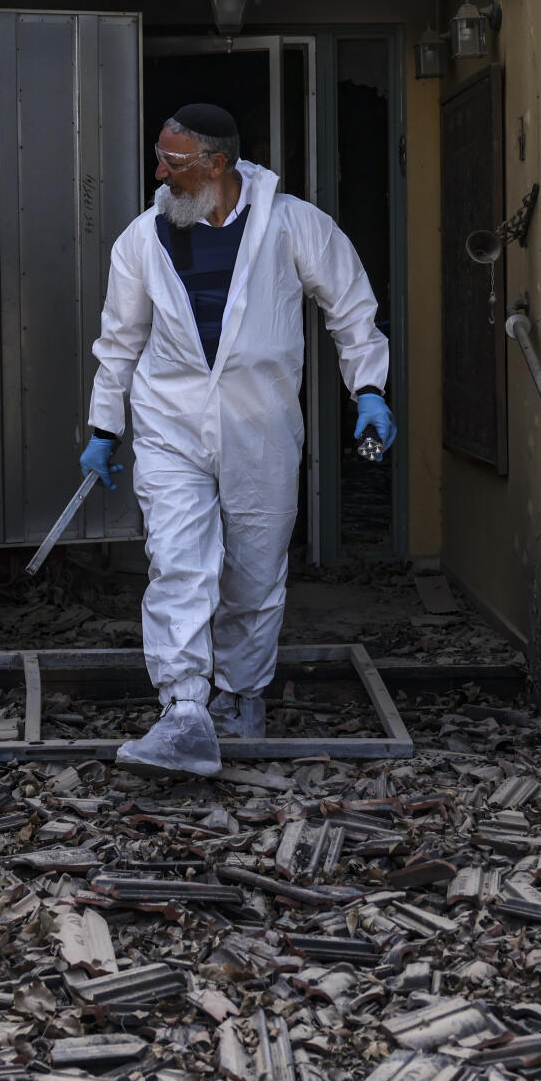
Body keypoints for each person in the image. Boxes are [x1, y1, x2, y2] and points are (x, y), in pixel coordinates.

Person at [78, 102, 396, 776]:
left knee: (253, 574)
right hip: (170, 423)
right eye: (160, 157)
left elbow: (352, 308)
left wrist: (368, 389)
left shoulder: (291, 224)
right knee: (179, 563)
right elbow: (119, 340)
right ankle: (185, 710)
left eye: (175, 162)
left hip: (261, 426)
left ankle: (241, 696)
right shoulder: (142, 238)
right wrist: (105, 426)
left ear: (218, 164)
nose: (159, 172)